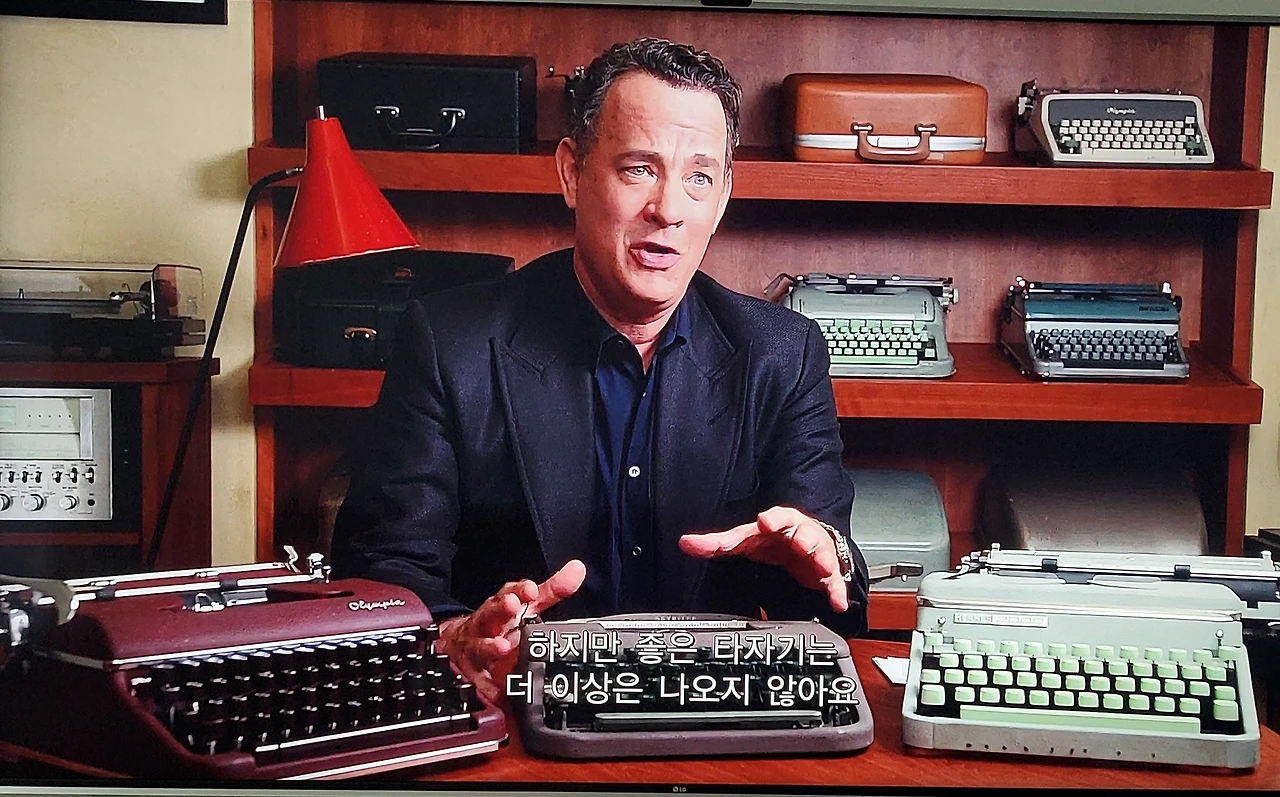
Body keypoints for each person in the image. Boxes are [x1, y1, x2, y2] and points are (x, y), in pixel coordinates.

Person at [331, 37, 869, 701]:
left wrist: (824, 562)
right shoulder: (450, 343)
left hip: (709, 711)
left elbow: (831, 599)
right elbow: (383, 574)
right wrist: (455, 638)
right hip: (516, 706)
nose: (669, 209)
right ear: (571, 172)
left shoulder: (782, 353)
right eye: (640, 169)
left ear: (724, 196)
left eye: (700, 177)